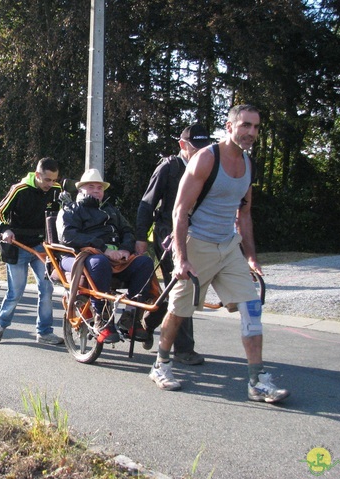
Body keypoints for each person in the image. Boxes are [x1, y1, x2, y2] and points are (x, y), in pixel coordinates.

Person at [148, 104, 290, 403]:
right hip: (195, 242)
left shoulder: (249, 164)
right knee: (179, 310)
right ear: (230, 126)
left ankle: (257, 380)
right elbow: (179, 211)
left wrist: (250, 256)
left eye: (255, 127)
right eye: (245, 126)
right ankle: (161, 364)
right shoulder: (206, 158)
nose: (251, 132)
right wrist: (182, 259)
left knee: (252, 308)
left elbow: (245, 215)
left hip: (228, 246)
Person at [135, 123, 211, 364]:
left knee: (174, 290)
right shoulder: (169, 167)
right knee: (183, 286)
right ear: (182, 145)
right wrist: (140, 238)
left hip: (198, 233)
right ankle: (184, 349)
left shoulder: (209, 167)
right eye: (195, 148)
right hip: (168, 234)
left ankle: (147, 322)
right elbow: (147, 204)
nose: (200, 152)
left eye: (204, 147)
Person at [57, 169, 157, 344]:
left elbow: (127, 231)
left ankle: (131, 318)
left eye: (100, 187)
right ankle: (102, 319)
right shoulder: (71, 209)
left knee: (145, 262)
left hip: (116, 259)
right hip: (82, 256)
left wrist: (126, 249)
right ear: (81, 190)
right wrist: (103, 248)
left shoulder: (112, 210)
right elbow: (68, 236)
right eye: (91, 186)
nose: (97, 190)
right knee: (99, 262)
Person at [0, 157, 64, 345]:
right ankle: (1, 323)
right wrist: (5, 229)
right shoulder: (19, 189)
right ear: (37, 175)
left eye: (54, 179)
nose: (51, 184)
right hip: (18, 245)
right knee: (17, 291)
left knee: (47, 288)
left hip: (42, 246)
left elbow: (63, 214)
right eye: (47, 179)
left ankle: (44, 332)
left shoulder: (56, 190)